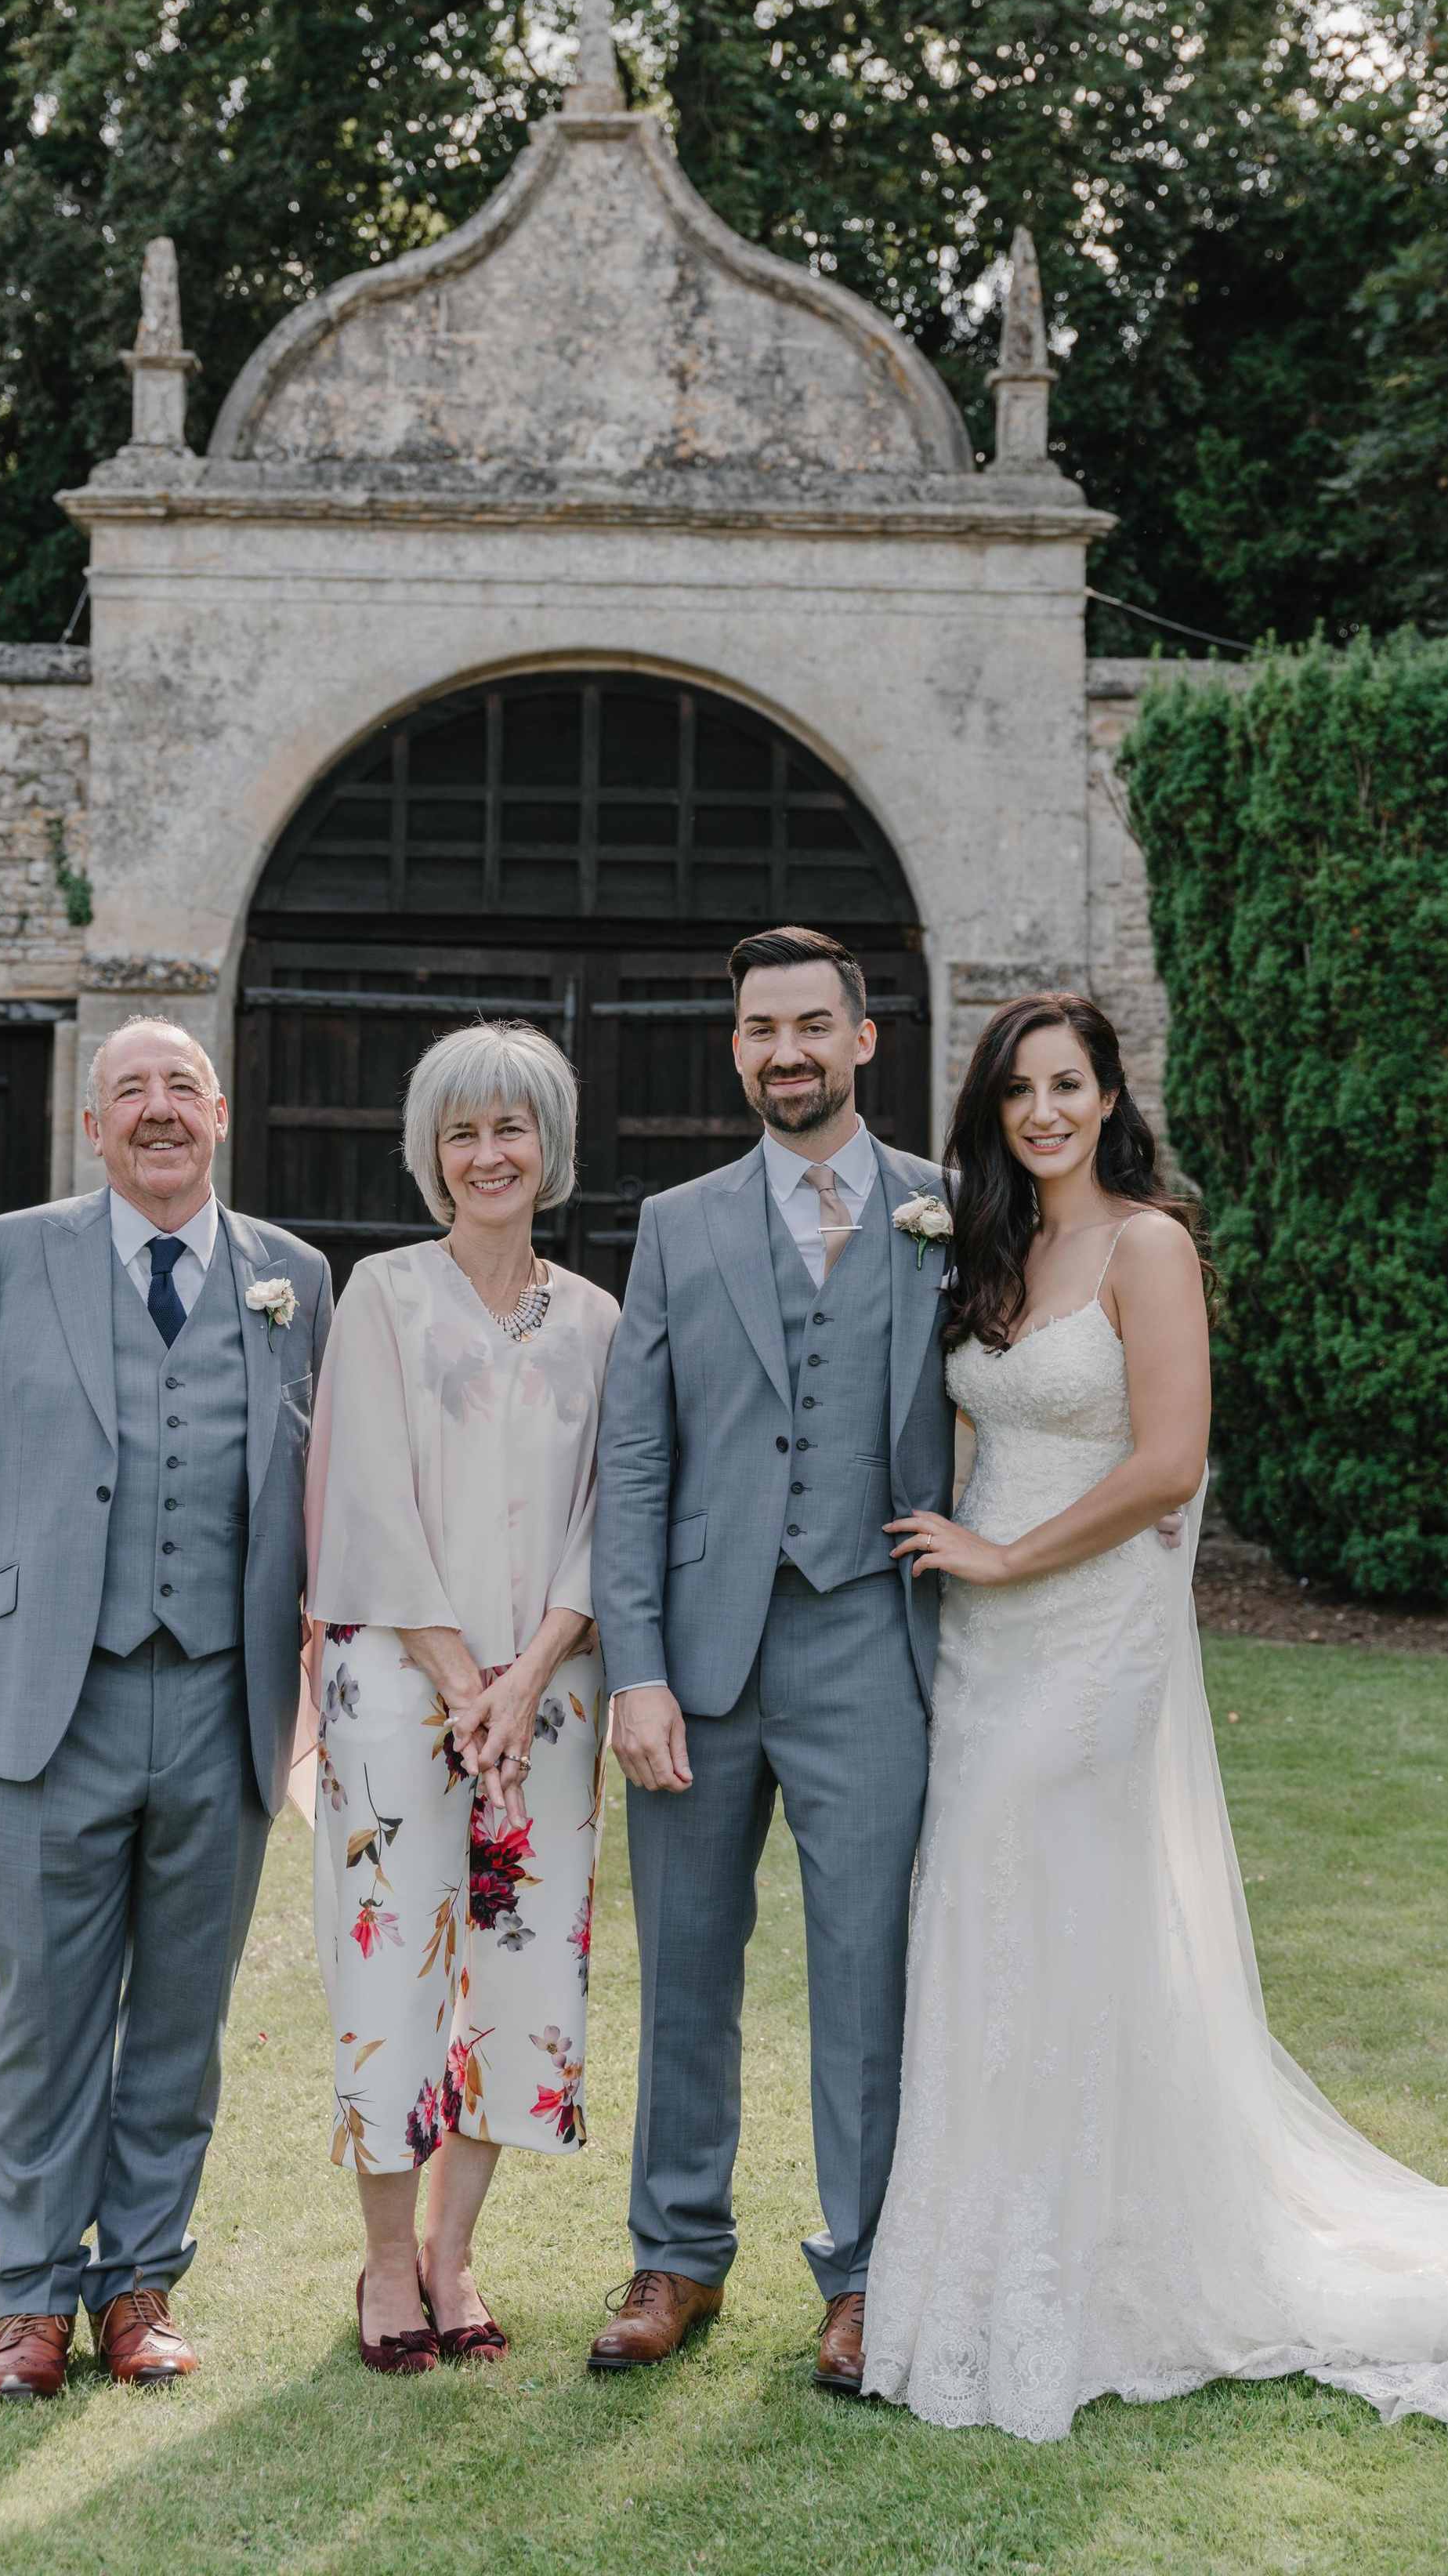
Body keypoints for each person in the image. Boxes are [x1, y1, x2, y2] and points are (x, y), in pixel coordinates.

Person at [863, 991, 1448, 2440]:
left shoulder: (1147, 1244)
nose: (1043, 1111)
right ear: (993, 1112)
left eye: (1068, 1085)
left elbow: (1172, 1464)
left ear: (1112, 1097)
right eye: (1018, 1091)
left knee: (1037, 1884)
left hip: (1093, 1628)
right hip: (983, 1646)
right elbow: (992, 1421)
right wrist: (963, 1544)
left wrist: (999, 1548)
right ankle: (1008, 2251)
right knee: (994, 1913)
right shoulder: (997, 1249)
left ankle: (1100, 2269)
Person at [0, 1016, 332, 2400]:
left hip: (223, 1702)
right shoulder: (15, 1253)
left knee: (180, 2015)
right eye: (127, 1090)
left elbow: (321, 1486)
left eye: (180, 1088)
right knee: (46, 2006)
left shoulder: (294, 1279)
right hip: (57, 1708)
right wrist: (19, 1620)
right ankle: (29, 2299)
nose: (156, 1110)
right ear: (92, 1128)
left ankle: (140, 2285)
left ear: (221, 1116)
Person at [588, 926, 954, 2394]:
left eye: (812, 1026)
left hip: (874, 1632)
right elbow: (635, 1454)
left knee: (870, 1968)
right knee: (684, 1962)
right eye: (759, 1030)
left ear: (865, 1039)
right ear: (734, 1047)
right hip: (698, 1652)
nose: (784, 1053)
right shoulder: (679, 1223)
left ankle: (865, 2272)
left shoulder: (951, 1206)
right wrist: (636, 1668)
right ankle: (677, 2256)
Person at [306, 1020, 617, 2374]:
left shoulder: (601, 1321)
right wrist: (458, 1679)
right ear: (431, 1154)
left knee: (520, 1966)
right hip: (399, 1690)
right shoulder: (381, 1294)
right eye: (462, 1132)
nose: (488, 1154)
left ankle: (453, 2256)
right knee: (392, 1965)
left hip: (548, 1701)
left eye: (512, 1128)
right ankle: (384, 2265)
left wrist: (528, 1675)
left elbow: (615, 1513)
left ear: (549, 1147)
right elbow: (362, 1497)